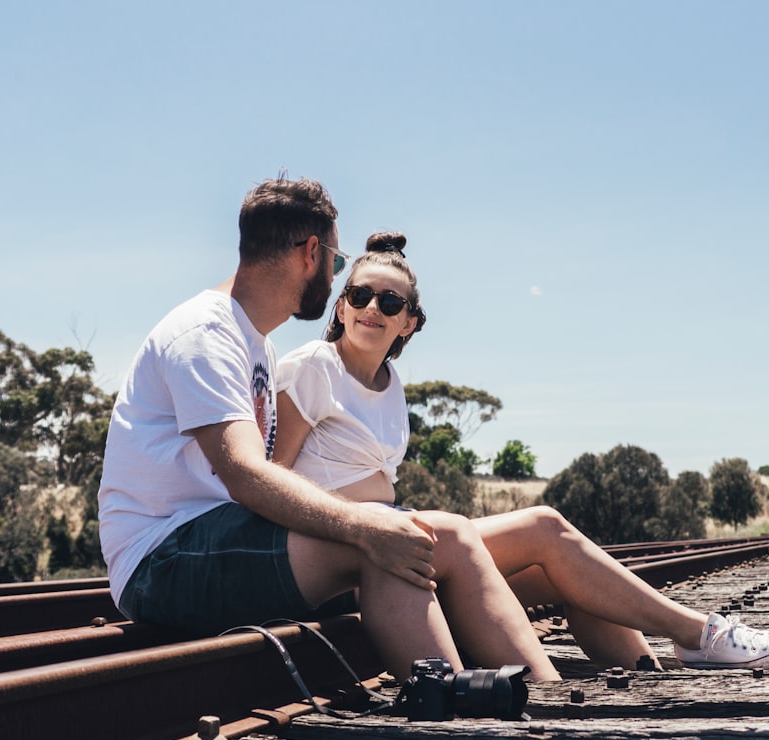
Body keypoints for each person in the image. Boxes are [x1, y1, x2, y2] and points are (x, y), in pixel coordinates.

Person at [98, 177, 562, 682]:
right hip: (163, 559)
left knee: (427, 537)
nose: (336, 275)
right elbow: (246, 474)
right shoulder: (205, 334)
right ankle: (451, 708)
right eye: (339, 264)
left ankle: (539, 698)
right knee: (393, 537)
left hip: (214, 539)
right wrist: (363, 524)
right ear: (311, 253)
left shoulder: (254, 342)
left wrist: (371, 524)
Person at [273, 231, 769, 673]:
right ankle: (695, 635)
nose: (372, 309)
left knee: (567, 575)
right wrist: (356, 530)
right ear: (341, 305)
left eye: (389, 303)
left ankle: (645, 678)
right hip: (351, 552)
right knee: (545, 526)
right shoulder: (313, 366)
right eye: (360, 296)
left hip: (404, 537)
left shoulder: (389, 385)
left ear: (408, 322)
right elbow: (272, 480)